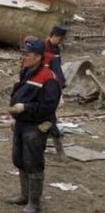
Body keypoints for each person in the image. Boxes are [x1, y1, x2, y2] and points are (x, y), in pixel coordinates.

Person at [6, 39, 61, 213]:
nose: (23, 57)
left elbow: (48, 106)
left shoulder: (48, 78)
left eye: (26, 54)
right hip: (22, 123)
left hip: (36, 126)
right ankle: (24, 195)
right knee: (19, 159)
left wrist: (25, 108)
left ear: (37, 57)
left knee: (33, 162)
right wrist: (17, 117)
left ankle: (34, 203)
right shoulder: (26, 72)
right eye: (22, 53)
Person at [43, 25, 68, 160]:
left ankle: (56, 149)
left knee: (48, 117)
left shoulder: (56, 50)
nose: (61, 42)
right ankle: (59, 151)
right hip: (43, 87)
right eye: (60, 39)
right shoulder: (42, 48)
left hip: (53, 87)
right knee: (48, 118)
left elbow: (57, 70)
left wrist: (60, 86)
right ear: (55, 36)